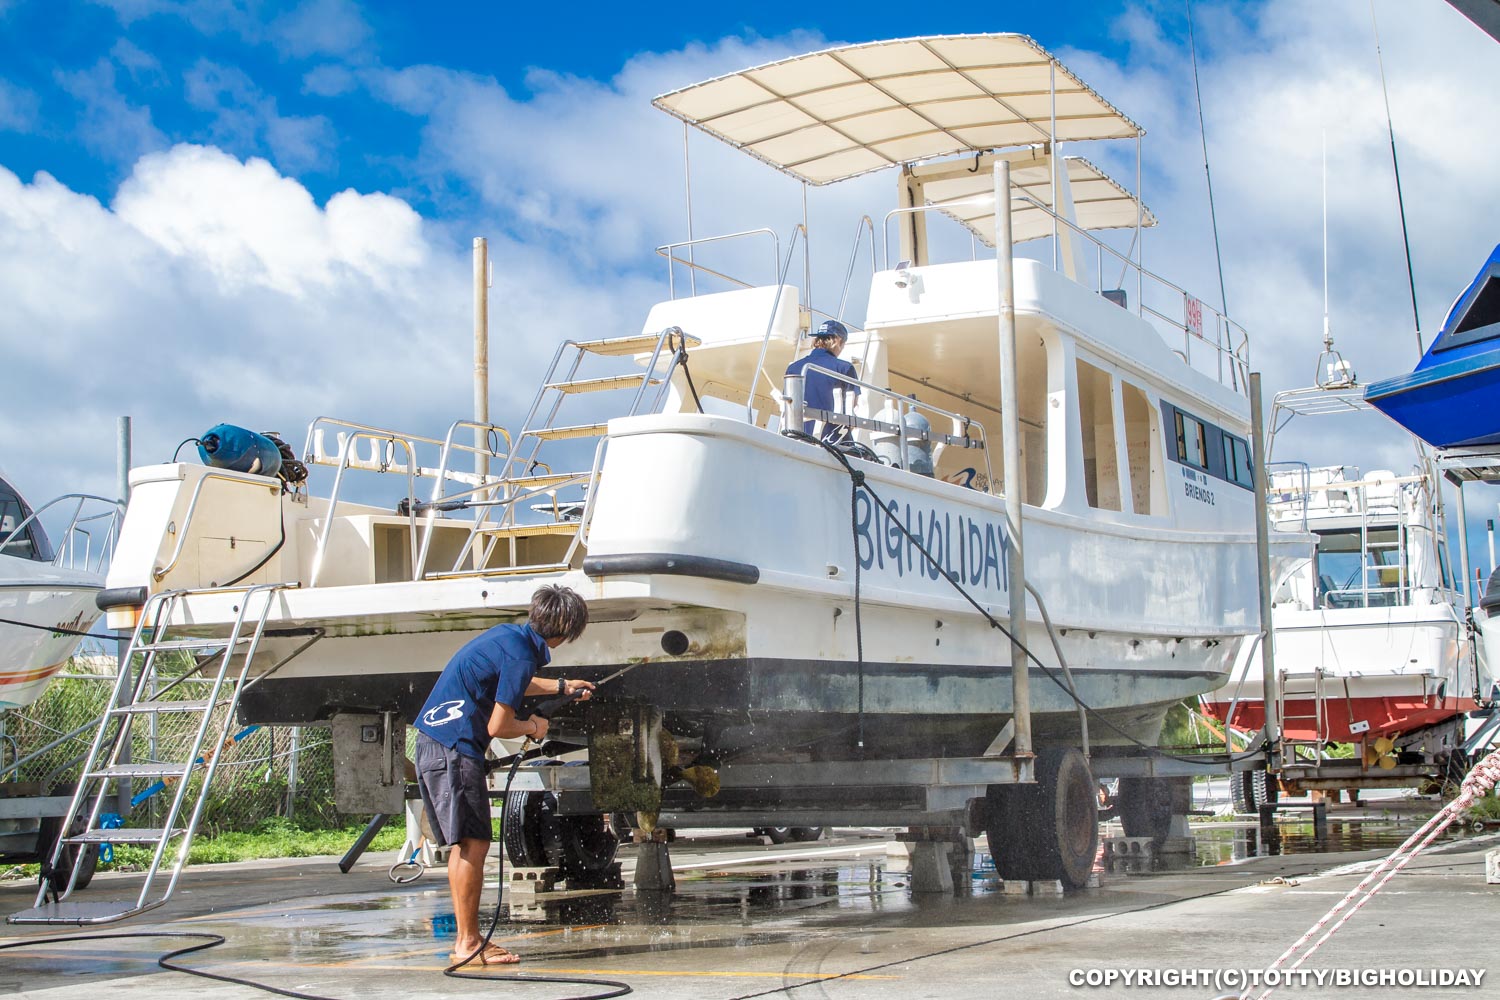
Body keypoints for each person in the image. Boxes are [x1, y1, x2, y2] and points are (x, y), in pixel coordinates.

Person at [413, 584, 595, 968]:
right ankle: (467, 942)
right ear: (566, 630)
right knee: (473, 843)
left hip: (435, 742)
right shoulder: (521, 655)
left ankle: (468, 938)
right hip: (454, 747)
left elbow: (514, 680)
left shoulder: (508, 637)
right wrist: (532, 726)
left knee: (468, 843)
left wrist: (563, 686)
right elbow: (499, 725)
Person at [785, 318, 860, 441]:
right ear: (837, 341)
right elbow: (853, 404)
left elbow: (788, 403)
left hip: (797, 436)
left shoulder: (793, 368)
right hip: (833, 439)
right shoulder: (845, 368)